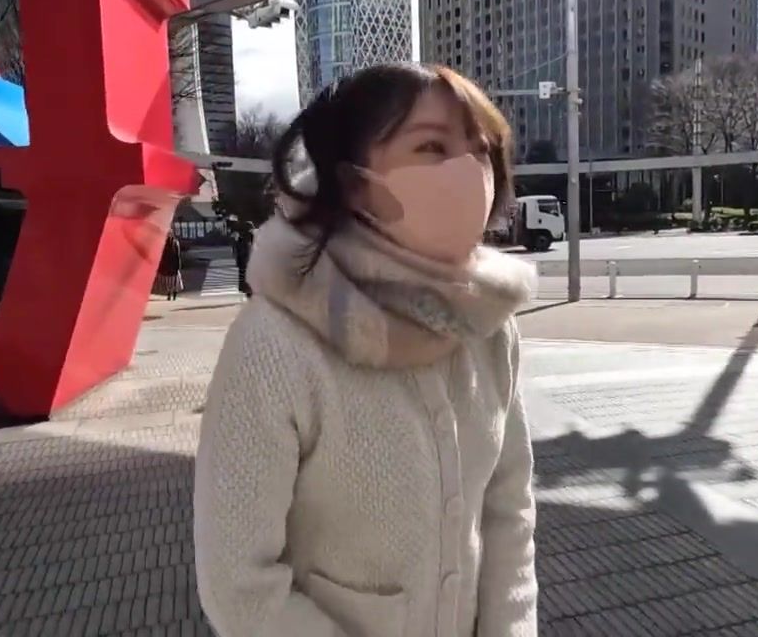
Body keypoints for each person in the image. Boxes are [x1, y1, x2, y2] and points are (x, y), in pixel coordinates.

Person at [193, 63, 539, 637]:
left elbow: (509, 508)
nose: (470, 172)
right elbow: (238, 584)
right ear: (356, 182)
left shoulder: (488, 323)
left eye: (480, 150)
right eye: (431, 147)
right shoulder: (276, 343)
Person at [154, 231, 183, 300]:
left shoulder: (169, 243)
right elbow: (177, 255)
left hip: (169, 265)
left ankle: (171, 294)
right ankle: (172, 294)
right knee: (173, 281)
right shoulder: (174, 243)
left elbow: (176, 255)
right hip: (171, 265)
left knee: (170, 281)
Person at [231, 220, 255, 297]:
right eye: (251, 228)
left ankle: (247, 289)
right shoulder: (247, 238)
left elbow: (236, 249)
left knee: (244, 275)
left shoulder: (242, 238)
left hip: (244, 260)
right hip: (246, 260)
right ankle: (248, 290)